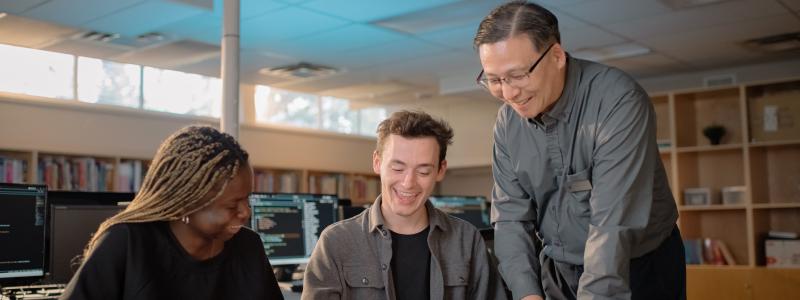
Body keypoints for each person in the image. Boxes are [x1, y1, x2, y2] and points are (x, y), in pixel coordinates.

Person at [474, 2, 685, 300]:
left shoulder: (617, 101)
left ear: (557, 56)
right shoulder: (508, 122)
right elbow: (510, 217)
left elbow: (612, 223)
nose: (508, 94)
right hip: (559, 267)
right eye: (494, 80)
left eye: (518, 75)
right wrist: (526, 293)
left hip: (636, 265)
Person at [61, 125, 283, 300]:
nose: (245, 212)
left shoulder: (249, 246)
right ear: (188, 203)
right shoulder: (126, 243)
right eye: (232, 206)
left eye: (247, 199)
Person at [302, 110, 506, 300]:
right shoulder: (336, 242)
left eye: (423, 171)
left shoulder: (467, 240)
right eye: (398, 168)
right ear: (377, 162)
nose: (408, 182)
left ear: (441, 170)